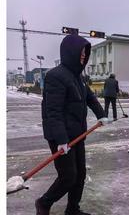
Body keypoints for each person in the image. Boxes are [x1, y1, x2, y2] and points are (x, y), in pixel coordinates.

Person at [35, 34, 110, 215]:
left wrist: (102, 115)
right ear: (70, 53)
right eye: (81, 54)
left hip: (77, 135)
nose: (83, 58)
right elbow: (53, 112)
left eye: (85, 54)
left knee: (80, 175)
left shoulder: (78, 77)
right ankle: (44, 203)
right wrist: (61, 139)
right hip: (61, 137)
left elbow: (90, 98)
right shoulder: (55, 76)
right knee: (68, 177)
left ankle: (72, 209)